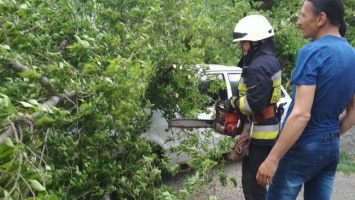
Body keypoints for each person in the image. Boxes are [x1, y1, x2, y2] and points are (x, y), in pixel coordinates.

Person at [256, 0, 355, 199]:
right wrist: (329, 136)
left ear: (321, 19)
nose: (298, 22)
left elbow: (301, 114)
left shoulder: (312, 52)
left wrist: (272, 159)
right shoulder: (352, 54)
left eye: (302, 15)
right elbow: (353, 112)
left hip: (301, 147)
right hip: (331, 149)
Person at [227, 14, 282, 200]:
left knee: (254, 187)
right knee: (257, 185)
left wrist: (233, 103)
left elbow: (254, 103)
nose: (242, 46)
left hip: (259, 136)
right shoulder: (269, 60)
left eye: (244, 42)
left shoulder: (258, 66)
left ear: (256, 42)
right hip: (264, 132)